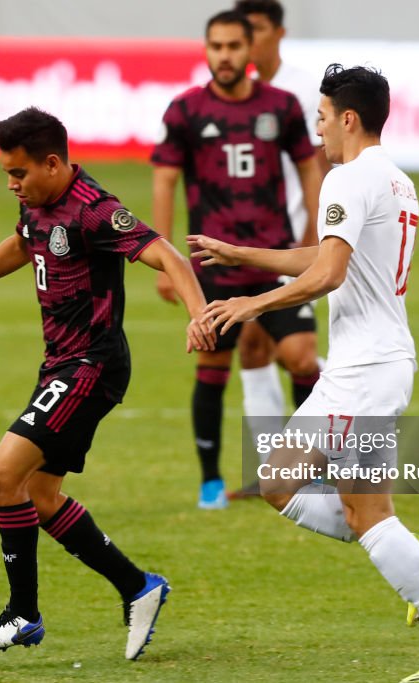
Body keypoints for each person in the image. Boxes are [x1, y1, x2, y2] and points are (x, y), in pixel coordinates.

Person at [190, 65, 419, 681]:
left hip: (367, 371)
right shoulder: (397, 180)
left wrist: (251, 303)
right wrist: (247, 257)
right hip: (370, 366)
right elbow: (328, 254)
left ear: (348, 118)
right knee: (277, 483)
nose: (317, 128)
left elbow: (327, 275)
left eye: (322, 116)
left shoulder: (347, 177)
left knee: (363, 514)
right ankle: (415, 558)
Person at [0, 107, 214, 660]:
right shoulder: (37, 206)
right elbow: (23, 243)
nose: (12, 184)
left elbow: (167, 254)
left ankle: (23, 615)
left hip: (91, 365)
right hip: (61, 363)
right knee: (40, 495)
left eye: (19, 173)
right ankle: (137, 586)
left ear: (53, 163)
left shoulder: (95, 212)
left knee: (2, 475)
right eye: (7, 174)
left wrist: (198, 313)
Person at [151, 10, 324, 509]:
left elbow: (310, 172)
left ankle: (311, 467)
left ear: (250, 51)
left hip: (274, 259)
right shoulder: (185, 110)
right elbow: (164, 181)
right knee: (212, 365)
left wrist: (312, 239)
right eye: (216, 46)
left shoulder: (284, 106)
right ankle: (210, 481)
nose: (224, 55)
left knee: (301, 357)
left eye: (233, 46)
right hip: (212, 267)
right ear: (206, 50)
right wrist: (165, 260)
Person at [230, 0, 332, 500]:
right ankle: (271, 467)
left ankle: (332, 448)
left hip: (295, 240)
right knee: (251, 346)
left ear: (278, 33)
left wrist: (315, 233)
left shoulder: (298, 88)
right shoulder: (236, 96)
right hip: (253, 243)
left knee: (299, 354)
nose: (249, 38)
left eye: (257, 29)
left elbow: (321, 163)